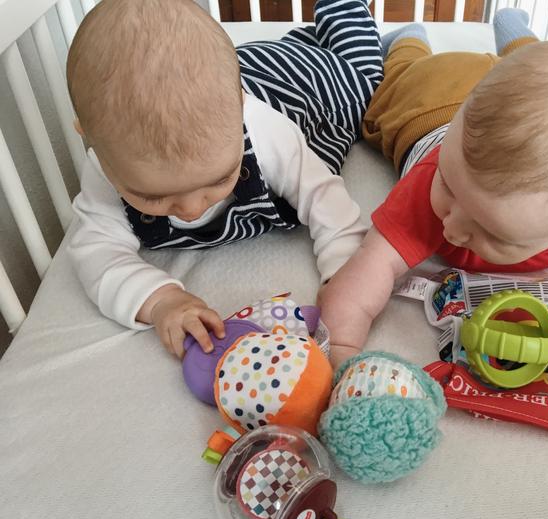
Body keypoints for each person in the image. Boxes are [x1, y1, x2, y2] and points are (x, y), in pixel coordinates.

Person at [319, 9, 548, 366]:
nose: (451, 227)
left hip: (506, 107)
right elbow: (365, 272)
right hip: (428, 104)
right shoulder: (427, 186)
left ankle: (512, 27)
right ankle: (407, 39)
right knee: (400, 78)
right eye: (448, 186)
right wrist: (339, 348)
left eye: (491, 232)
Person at [66, 0, 381, 358]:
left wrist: (343, 273)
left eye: (219, 180)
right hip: (226, 85)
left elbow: (323, 196)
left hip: (302, 87)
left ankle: (342, 9)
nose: (190, 209)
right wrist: (160, 300)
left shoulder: (264, 131)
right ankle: (305, 40)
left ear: (241, 110)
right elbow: (95, 251)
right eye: (153, 197)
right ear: (90, 140)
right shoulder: (109, 160)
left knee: (367, 83)